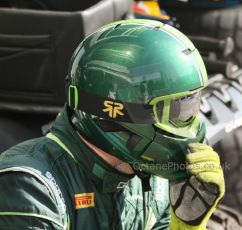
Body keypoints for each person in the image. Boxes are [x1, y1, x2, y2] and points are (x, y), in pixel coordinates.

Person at [0, 19, 225, 230]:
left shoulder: (154, 181)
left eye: (189, 108)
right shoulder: (29, 189)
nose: (189, 127)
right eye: (174, 111)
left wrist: (186, 227)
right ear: (115, 110)